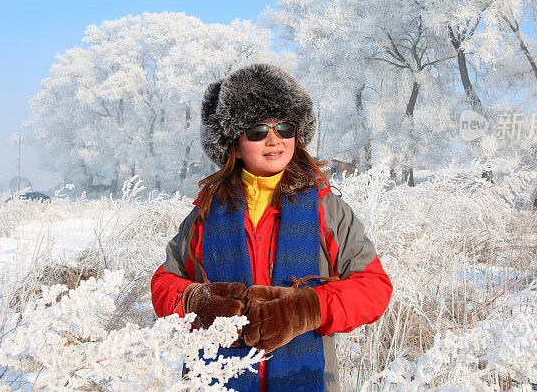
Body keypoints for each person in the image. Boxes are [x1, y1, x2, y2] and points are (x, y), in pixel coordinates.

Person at [151, 64, 392, 392]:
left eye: (284, 127)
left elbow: (374, 287)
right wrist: (197, 301)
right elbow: (164, 283)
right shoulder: (204, 215)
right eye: (257, 131)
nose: (274, 140)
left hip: (310, 379)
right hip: (214, 382)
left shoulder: (327, 210)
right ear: (234, 145)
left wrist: (307, 309)